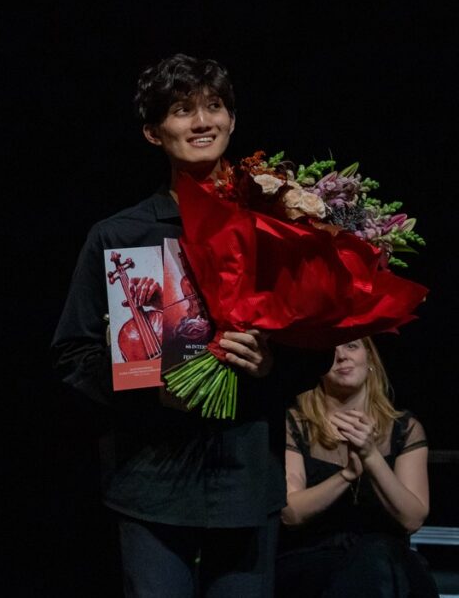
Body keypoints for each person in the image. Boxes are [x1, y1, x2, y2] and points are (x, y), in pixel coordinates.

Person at [52, 54, 288, 597]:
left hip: (246, 475)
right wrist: (148, 390)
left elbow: (316, 346)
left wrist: (274, 363)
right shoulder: (119, 235)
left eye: (214, 106)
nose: (202, 121)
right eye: (183, 110)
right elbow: (73, 354)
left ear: (232, 120)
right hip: (151, 479)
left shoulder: (274, 228)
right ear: (153, 133)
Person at [277, 338, 436, 597]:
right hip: (313, 562)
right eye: (332, 350)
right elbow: (291, 513)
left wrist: (371, 456)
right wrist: (347, 474)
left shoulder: (404, 428)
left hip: (388, 564)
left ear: (370, 359)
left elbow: (412, 518)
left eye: (352, 346)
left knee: (378, 559)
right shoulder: (295, 424)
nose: (342, 357)